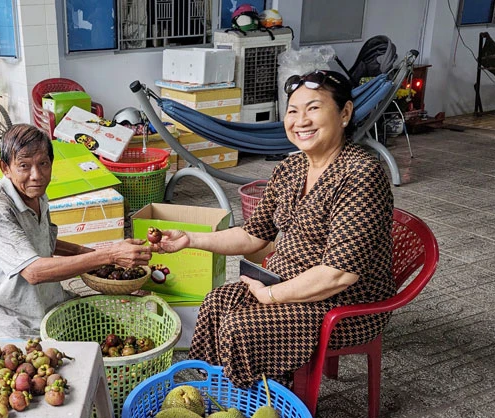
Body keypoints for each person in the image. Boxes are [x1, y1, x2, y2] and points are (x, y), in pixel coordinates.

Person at [152, 70, 395, 388]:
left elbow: (340, 275)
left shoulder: (361, 174)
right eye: (293, 111)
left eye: (313, 108)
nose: (301, 120)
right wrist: (191, 239)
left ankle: (256, 401)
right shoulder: (292, 167)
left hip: (346, 303)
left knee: (242, 326)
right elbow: (253, 234)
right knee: (216, 303)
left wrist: (270, 295)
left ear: (345, 113)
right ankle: (215, 389)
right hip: (286, 283)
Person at [0, 124, 152, 339]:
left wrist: (86, 252)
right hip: (9, 318)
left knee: (112, 335)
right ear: (5, 168)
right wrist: (108, 255)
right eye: (24, 166)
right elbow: (34, 272)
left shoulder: (36, 193)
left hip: (47, 300)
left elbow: (43, 239)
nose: (36, 175)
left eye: (43, 164)